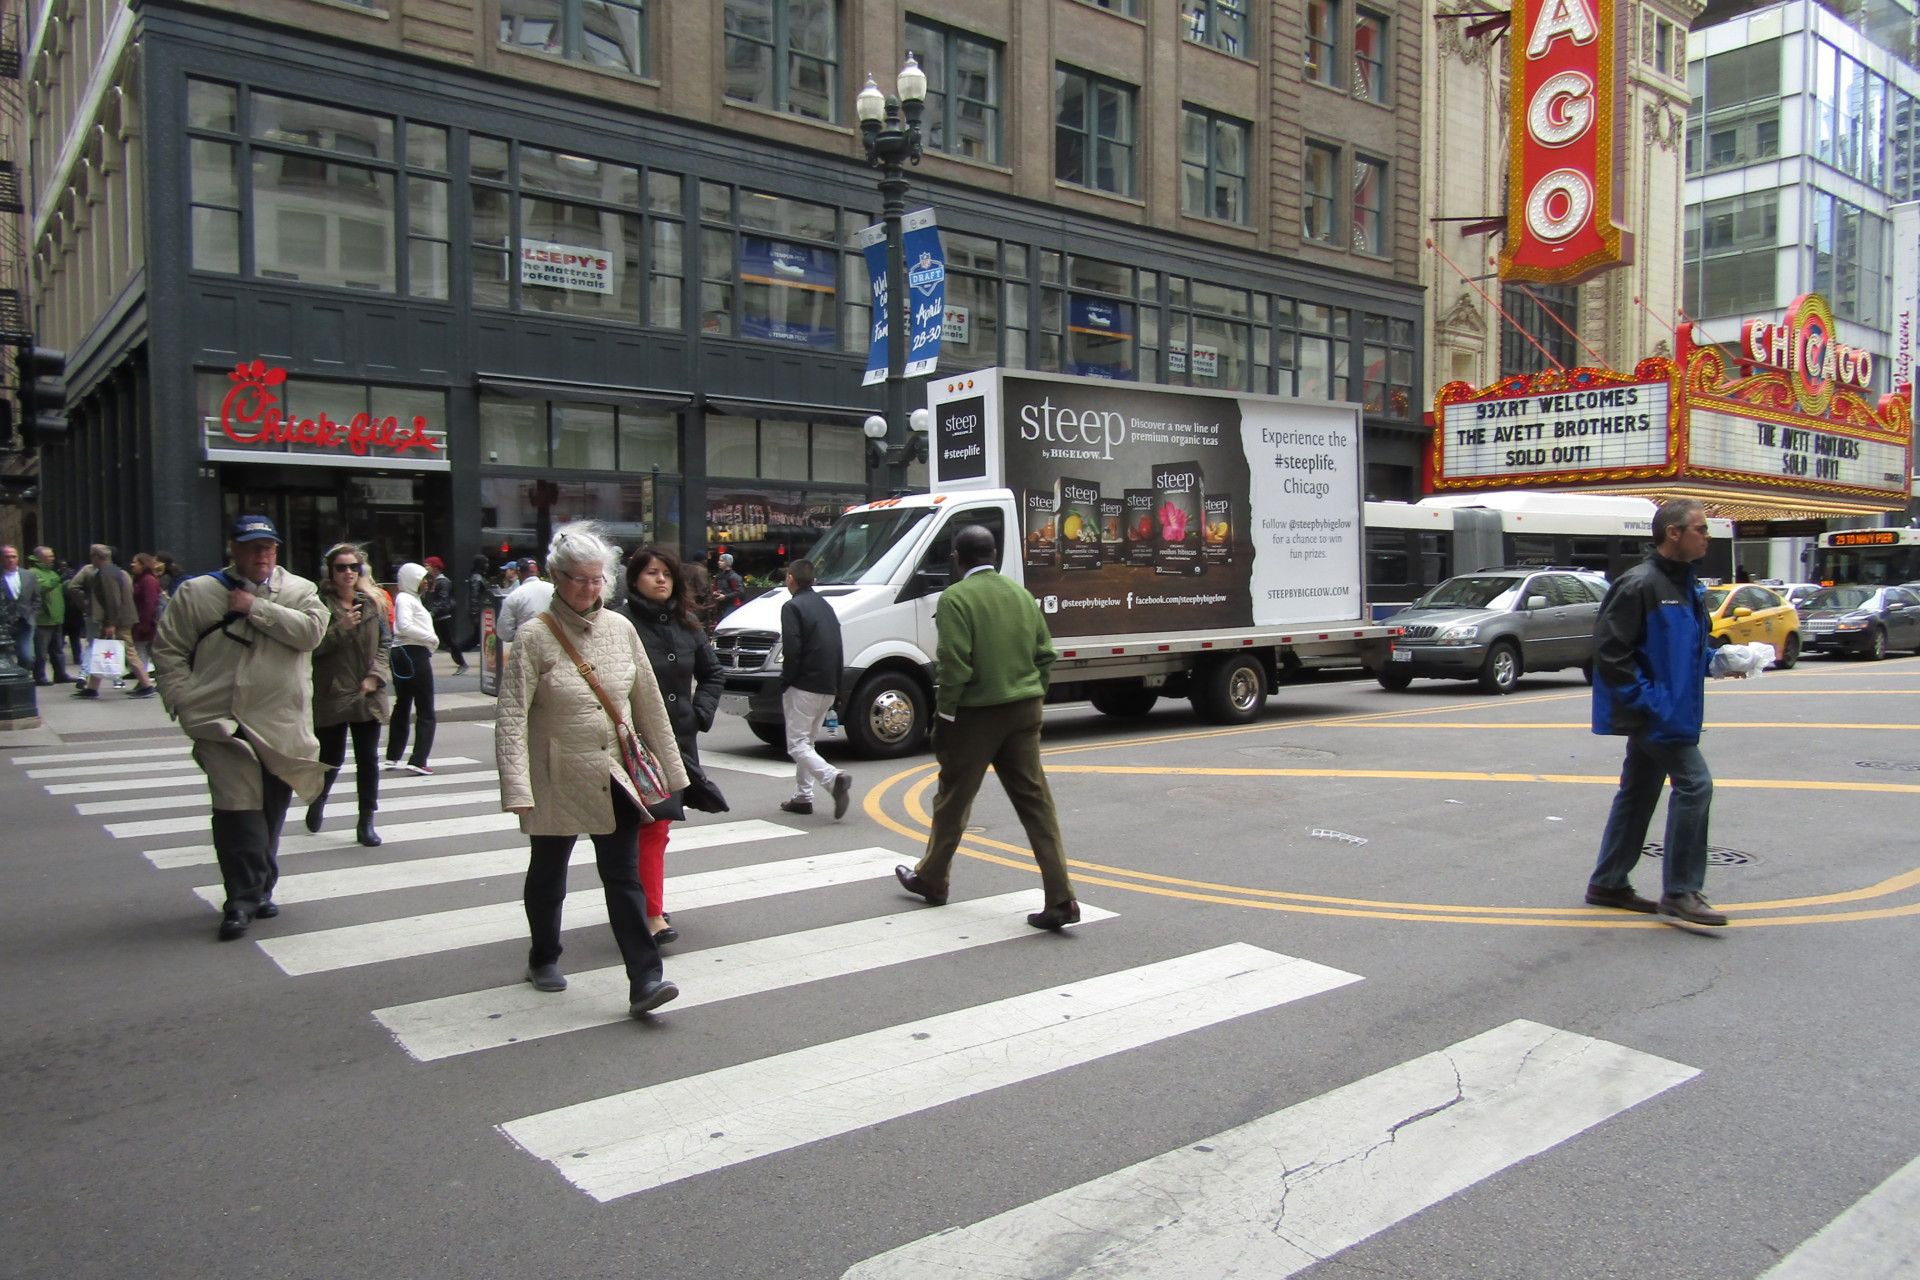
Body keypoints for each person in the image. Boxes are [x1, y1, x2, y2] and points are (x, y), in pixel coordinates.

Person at [496, 523, 688, 1018]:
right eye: (579, 579)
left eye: (597, 579)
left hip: (615, 771)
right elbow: (512, 717)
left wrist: (673, 773)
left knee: (623, 876)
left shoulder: (621, 630)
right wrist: (517, 786)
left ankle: (645, 979)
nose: (589, 588)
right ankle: (543, 956)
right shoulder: (534, 637)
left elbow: (648, 705)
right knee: (549, 872)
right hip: (556, 775)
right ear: (557, 578)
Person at [894, 525, 1081, 931]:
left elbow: (954, 664)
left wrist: (944, 715)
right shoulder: (1021, 596)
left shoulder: (955, 598)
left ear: (957, 558)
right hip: (1024, 709)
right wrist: (1033, 695)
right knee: (1036, 803)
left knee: (953, 798)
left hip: (976, 714)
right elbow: (1045, 654)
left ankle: (932, 877)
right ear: (993, 555)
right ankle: (1061, 896)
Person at [152, 515, 329, 940]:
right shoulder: (197, 592)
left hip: (281, 724)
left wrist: (256, 608)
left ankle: (260, 887)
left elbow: (312, 634)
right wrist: (182, 700)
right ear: (233, 549)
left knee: (269, 811)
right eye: (252, 546)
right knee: (236, 812)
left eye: (268, 547)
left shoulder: (299, 591)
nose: (261, 554)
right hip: (220, 722)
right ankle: (240, 900)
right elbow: (168, 650)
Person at [1585, 498, 1745, 928]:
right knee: (1696, 786)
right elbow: (1610, 653)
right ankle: (1680, 891)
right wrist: (1650, 702)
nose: (1707, 536)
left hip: (1671, 710)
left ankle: (1608, 882)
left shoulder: (1687, 587)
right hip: (1659, 714)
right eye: (1700, 529)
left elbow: (1687, 649)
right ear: (1673, 533)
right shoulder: (1640, 584)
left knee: (1638, 793)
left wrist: (1720, 660)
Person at [623, 545, 726, 944]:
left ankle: (650, 910)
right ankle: (645, 908)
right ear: (635, 579)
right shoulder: (619, 623)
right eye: (651, 572)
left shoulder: (688, 626)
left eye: (666, 573)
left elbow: (713, 673)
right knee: (638, 829)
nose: (660, 579)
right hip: (634, 743)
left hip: (676, 743)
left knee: (657, 827)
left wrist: (698, 714)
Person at [306, 542, 391, 848]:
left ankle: (366, 820)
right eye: (341, 567)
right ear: (330, 572)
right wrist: (339, 628)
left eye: (354, 567)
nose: (348, 573)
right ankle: (318, 800)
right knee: (331, 758)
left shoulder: (373, 602)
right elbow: (310, 648)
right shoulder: (318, 604)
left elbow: (385, 644)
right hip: (332, 692)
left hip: (367, 693)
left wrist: (375, 676)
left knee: (368, 760)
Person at [778, 558, 852, 819]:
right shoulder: (826, 607)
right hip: (828, 685)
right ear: (814, 581)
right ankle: (803, 797)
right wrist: (838, 689)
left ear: (790, 579)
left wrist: (786, 680)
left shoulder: (792, 607)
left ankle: (833, 779)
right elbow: (838, 648)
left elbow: (792, 649)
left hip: (803, 684)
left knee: (797, 745)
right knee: (807, 743)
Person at [71, 544, 154, 698]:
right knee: (102, 650)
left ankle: (147, 685)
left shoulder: (106, 573)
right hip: (117, 619)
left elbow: (112, 599)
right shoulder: (113, 571)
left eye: (92, 556)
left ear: (97, 557)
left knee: (128, 652)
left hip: (117, 620)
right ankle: (92, 688)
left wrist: (110, 623)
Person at [385, 562, 438, 774]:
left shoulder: (407, 598)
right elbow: (404, 626)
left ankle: (393, 755)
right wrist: (431, 638)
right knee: (426, 708)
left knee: (403, 703)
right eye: (422, 578)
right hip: (414, 652)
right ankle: (418, 759)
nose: (425, 582)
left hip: (403, 653)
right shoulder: (407, 599)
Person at [28, 546, 68, 686]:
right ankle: (39, 675)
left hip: (56, 618)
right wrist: (59, 579)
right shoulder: (33, 573)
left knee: (58, 649)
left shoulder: (51, 572)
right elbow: (42, 588)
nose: (53, 558)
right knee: (41, 651)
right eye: (50, 556)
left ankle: (60, 674)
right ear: (40, 558)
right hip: (43, 619)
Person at [422, 556, 465, 673]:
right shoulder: (433, 581)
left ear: (435, 567)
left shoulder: (443, 582)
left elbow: (443, 600)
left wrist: (432, 612)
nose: (426, 567)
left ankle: (462, 663)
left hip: (442, 617)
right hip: (436, 616)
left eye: (428, 565)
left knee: (449, 641)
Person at [495, 558, 553, 642]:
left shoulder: (514, 596)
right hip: (554, 646)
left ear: (518, 573)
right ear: (536, 572)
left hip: (527, 648)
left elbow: (504, 633)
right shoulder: (554, 590)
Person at [0, 544, 37, 667]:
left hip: (24, 622)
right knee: (4, 658)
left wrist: (33, 614)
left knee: (27, 657)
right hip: (4, 624)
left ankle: (24, 680)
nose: (10, 560)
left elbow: (36, 597)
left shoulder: (29, 575)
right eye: (7, 557)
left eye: (13, 556)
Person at [130, 553, 164, 685]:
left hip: (147, 624)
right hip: (147, 623)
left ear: (143, 564)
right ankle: (148, 682)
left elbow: (150, 603)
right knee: (151, 653)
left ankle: (143, 683)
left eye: (135, 562)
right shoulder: (144, 579)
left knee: (140, 652)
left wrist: (144, 624)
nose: (133, 565)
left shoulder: (147, 580)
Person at [713, 552, 746, 620]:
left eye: (722, 561)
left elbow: (740, 592)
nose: (718, 562)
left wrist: (725, 596)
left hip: (732, 605)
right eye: (719, 560)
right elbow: (715, 588)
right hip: (721, 605)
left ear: (727, 562)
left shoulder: (734, 576)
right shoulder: (719, 576)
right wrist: (715, 593)